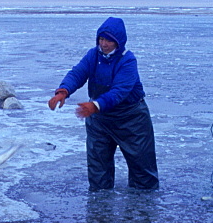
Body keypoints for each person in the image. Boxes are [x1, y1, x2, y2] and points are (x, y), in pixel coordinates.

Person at [47, 17, 159, 191]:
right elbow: (78, 73)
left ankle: (142, 212)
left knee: (143, 173)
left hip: (131, 120)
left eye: (109, 40)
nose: (104, 43)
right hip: (99, 120)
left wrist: (95, 105)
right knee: (98, 174)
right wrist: (63, 91)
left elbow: (119, 91)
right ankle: (99, 213)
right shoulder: (93, 55)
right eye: (101, 38)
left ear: (118, 42)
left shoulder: (128, 61)